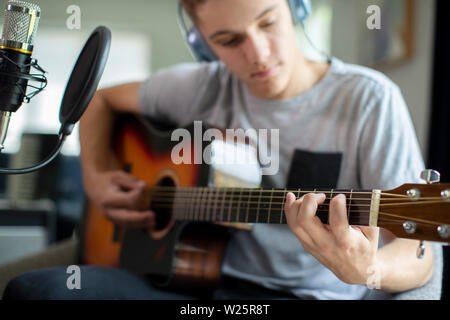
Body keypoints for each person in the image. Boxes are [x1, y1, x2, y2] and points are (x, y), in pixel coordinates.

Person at [3, 0, 435, 300]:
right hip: (183, 282)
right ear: (201, 43)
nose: (258, 54)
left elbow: (420, 251)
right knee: (32, 290)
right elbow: (98, 99)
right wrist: (96, 177)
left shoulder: (369, 99)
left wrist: (369, 271)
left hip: (301, 294)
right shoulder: (204, 86)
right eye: (228, 41)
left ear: (296, 8)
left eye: (268, 23)